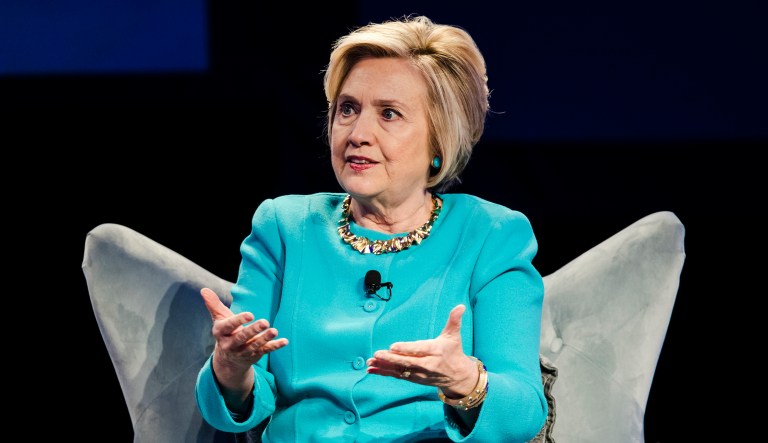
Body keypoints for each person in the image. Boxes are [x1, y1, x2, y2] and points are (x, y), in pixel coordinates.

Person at [195, 14, 548, 442]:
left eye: (389, 114)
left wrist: (464, 381)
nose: (358, 133)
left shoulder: (492, 235)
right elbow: (240, 405)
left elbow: (523, 413)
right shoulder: (284, 227)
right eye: (348, 109)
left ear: (439, 140)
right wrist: (230, 368)